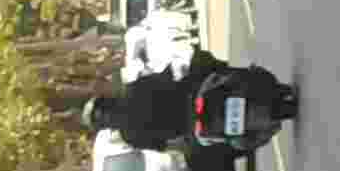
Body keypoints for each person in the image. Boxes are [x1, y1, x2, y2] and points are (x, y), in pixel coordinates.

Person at [85, 52, 296, 155]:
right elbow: (164, 78)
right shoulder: (133, 91)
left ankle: (262, 101)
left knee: (225, 147)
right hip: (194, 97)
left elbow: (167, 146)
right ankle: (264, 84)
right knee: (214, 67)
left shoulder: (130, 136)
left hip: (194, 128)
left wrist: (188, 144)